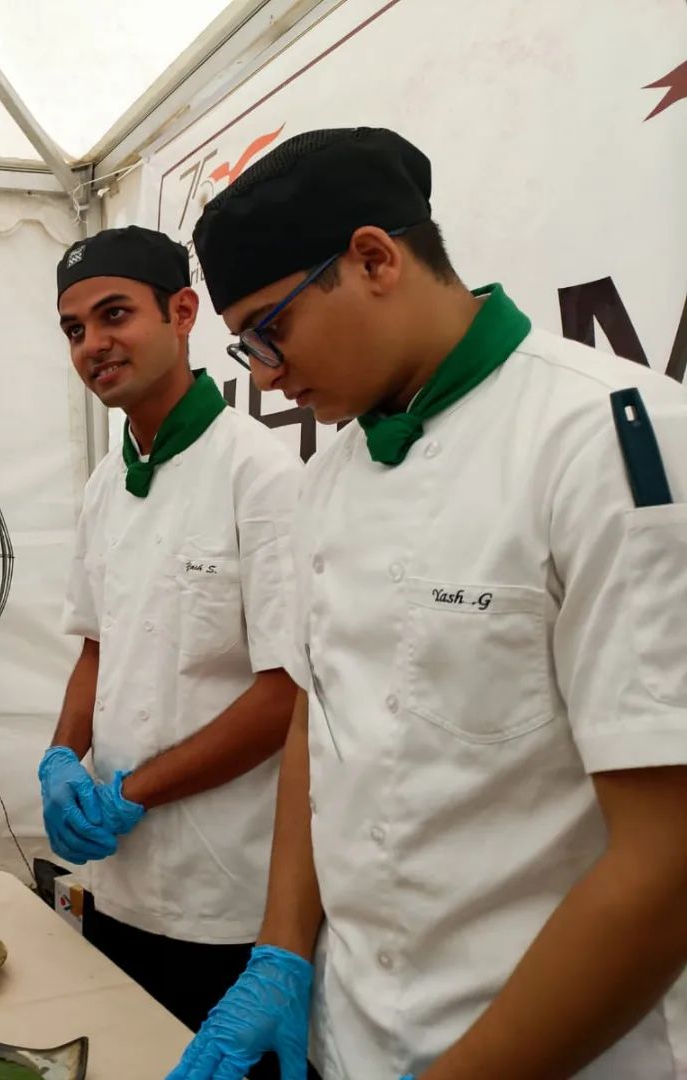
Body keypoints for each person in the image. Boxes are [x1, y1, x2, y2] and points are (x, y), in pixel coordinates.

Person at [171, 126, 687, 1080]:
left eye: (270, 329)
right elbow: (316, 726)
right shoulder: (331, 476)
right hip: (351, 1034)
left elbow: (669, 860)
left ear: (375, 259)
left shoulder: (608, 443)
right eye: (246, 346)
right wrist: (281, 951)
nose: (266, 373)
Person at [45, 226, 302, 1060]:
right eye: (74, 329)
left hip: (226, 897)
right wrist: (61, 758)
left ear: (183, 313)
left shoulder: (260, 475)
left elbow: (285, 696)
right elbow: (97, 647)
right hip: (116, 884)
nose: (93, 344)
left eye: (114, 314)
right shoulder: (104, 486)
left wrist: (132, 792)